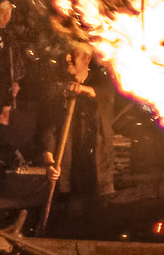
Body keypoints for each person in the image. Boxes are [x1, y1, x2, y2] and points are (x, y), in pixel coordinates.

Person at [42, 42, 116, 201]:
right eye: (65, 53)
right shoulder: (57, 90)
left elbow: (103, 94)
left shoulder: (101, 84)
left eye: (73, 53)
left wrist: (82, 90)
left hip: (97, 175)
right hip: (69, 174)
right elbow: (48, 132)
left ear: (87, 58)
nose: (67, 57)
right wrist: (49, 164)